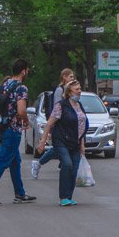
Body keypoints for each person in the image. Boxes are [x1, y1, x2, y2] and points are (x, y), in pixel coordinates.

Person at [0, 59, 36, 206]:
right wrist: (26, 121)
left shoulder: (3, 85)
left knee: (15, 161)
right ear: (23, 71)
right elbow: (21, 110)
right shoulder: (21, 88)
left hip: (1, 128)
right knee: (3, 162)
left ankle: (20, 194)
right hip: (12, 129)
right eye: (27, 70)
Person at [34, 78, 88, 206]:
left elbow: (82, 126)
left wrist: (82, 144)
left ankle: (69, 196)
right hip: (61, 141)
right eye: (77, 89)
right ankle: (63, 197)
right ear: (69, 92)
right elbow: (49, 124)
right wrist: (42, 142)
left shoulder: (79, 106)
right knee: (67, 164)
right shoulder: (61, 105)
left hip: (75, 142)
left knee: (74, 169)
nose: (79, 91)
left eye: (80, 89)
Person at [31, 68, 75, 179]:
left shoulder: (72, 89)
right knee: (58, 148)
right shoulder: (60, 90)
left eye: (73, 77)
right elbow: (57, 106)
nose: (72, 78)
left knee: (62, 148)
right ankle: (39, 163)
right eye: (70, 76)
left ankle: (62, 165)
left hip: (69, 124)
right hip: (60, 124)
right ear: (64, 77)